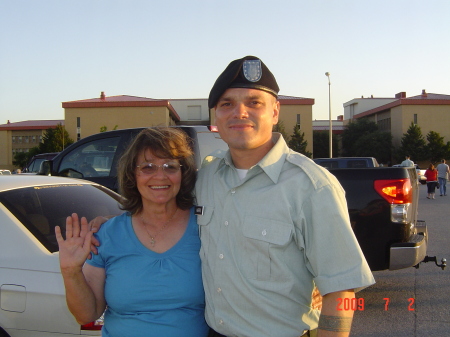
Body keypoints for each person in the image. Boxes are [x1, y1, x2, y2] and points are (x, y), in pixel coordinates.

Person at [196, 56, 375, 337]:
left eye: (254, 102)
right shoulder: (206, 177)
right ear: (215, 115)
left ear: (275, 111)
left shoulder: (312, 186)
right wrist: (105, 222)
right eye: (227, 104)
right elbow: (162, 214)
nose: (239, 112)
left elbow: (342, 289)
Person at [55, 127, 209, 337]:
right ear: (133, 174)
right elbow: (86, 315)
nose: (160, 176)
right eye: (148, 167)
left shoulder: (205, 227)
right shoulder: (107, 235)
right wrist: (71, 271)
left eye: (170, 167)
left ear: (183, 173)